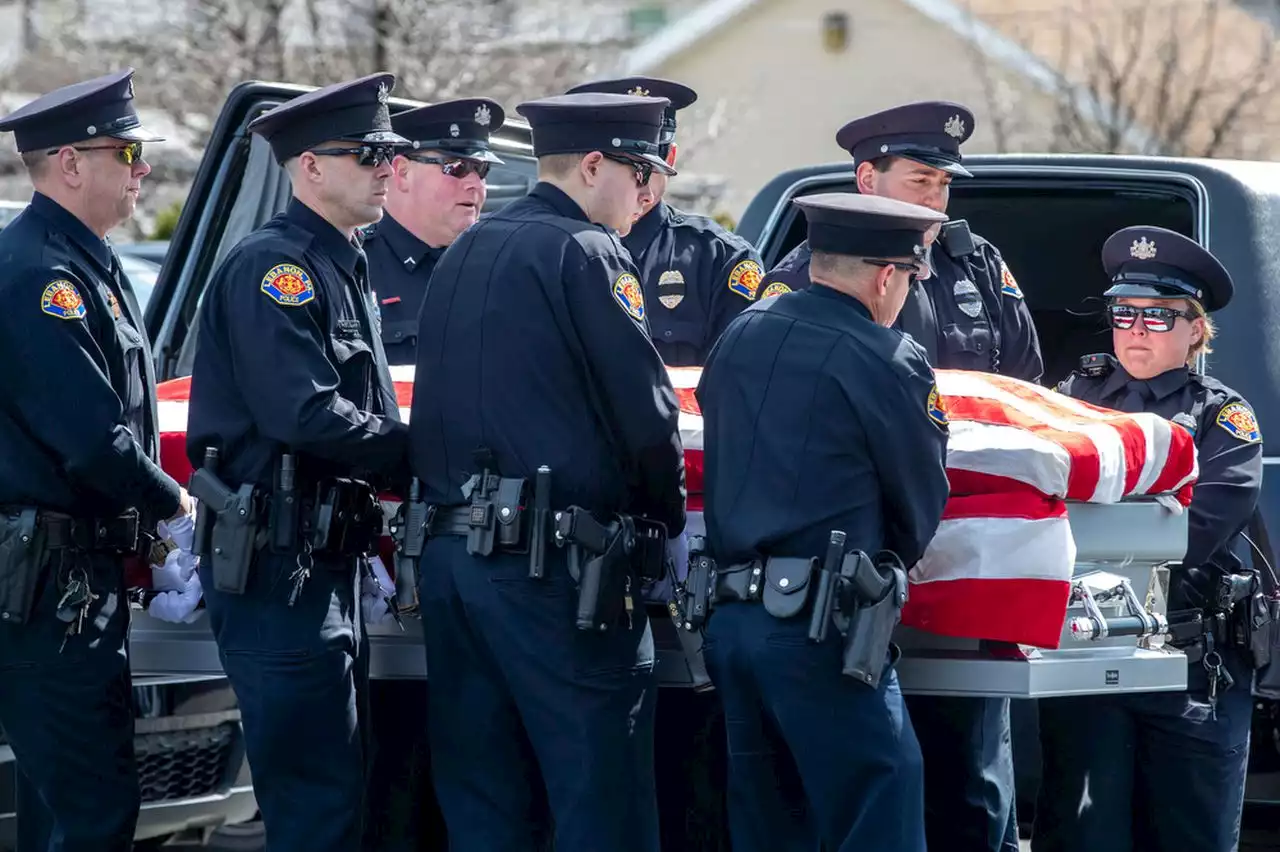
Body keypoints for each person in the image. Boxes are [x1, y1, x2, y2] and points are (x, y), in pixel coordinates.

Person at [406, 91, 686, 852]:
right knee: (602, 797)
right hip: (556, 572)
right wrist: (666, 521)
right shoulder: (587, 252)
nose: (647, 195)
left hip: (455, 563)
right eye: (640, 174)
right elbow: (648, 416)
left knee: (487, 800)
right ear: (594, 166)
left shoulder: (464, 251)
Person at [764, 101, 1041, 851]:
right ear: (866, 178)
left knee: (975, 776)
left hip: (971, 547)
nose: (936, 201)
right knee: (863, 779)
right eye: (921, 181)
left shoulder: (975, 261)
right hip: (859, 557)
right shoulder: (802, 280)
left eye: (944, 186)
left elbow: (1022, 389)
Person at [184, 72, 411, 851]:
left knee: (340, 788)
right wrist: (421, 452)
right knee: (314, 800)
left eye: (390, 151)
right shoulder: (275, 269)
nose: (387, 165)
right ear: (311, 166)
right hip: (279, 567)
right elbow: (305, 413)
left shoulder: (342, 260)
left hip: (322, 561)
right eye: (368, 152)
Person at [697, 191, 950, 852]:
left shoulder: (740, 335)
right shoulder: (887, 358)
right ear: (888, 275)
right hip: (820, 631)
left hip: (731, 621)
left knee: (769, 819)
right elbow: (917, 507)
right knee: (882, 793)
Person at [0, 68, 195, 852]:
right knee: (92, 807)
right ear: (71, 163)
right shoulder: (43, 274)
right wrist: (173, 504)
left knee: (64, 805)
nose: (142, 167)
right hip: (53, 579)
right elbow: (91, 437)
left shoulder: (83, 260)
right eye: (127, 150)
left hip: (72, 572)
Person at [1033, 225, 1261, 852]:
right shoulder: (1073, 402)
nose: (1136, 328)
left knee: (1190, 833)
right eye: (1124, 312)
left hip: (1189, 662)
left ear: (1195, 330)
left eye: (1159, 316)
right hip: (1086, 652)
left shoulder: (1221, 415)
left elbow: (1207, 523)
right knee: (1082, 832)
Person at [565, 76, 765, 367]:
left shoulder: (718, 258)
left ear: (670, 157)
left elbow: (743, 378)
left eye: (650, 165)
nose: (639, 182)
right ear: (592, 165)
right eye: (626, 164)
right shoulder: (552, 251)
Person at [363, 96, 506, 365]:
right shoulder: (355, 264)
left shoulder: (499, 264)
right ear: (402, 172)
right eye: (457, 167)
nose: (475, 184)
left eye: (482, 169)